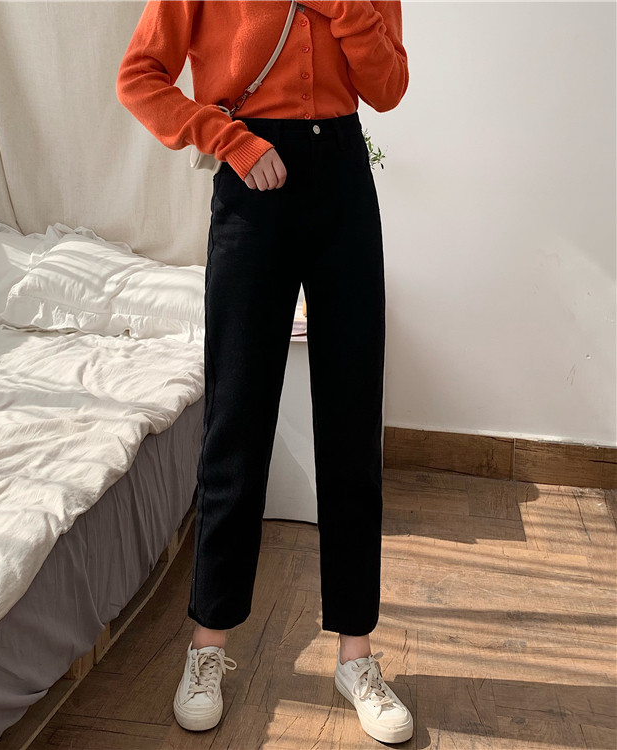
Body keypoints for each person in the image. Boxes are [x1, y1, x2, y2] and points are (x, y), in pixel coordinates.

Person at [116, 0, 412, 743]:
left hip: (344, 180)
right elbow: (139, 76)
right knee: (237, 420)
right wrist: (229, 139)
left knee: (352, 424)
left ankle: (356, 657)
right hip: (252, 181)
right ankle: (207, 645)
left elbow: (388, 88)